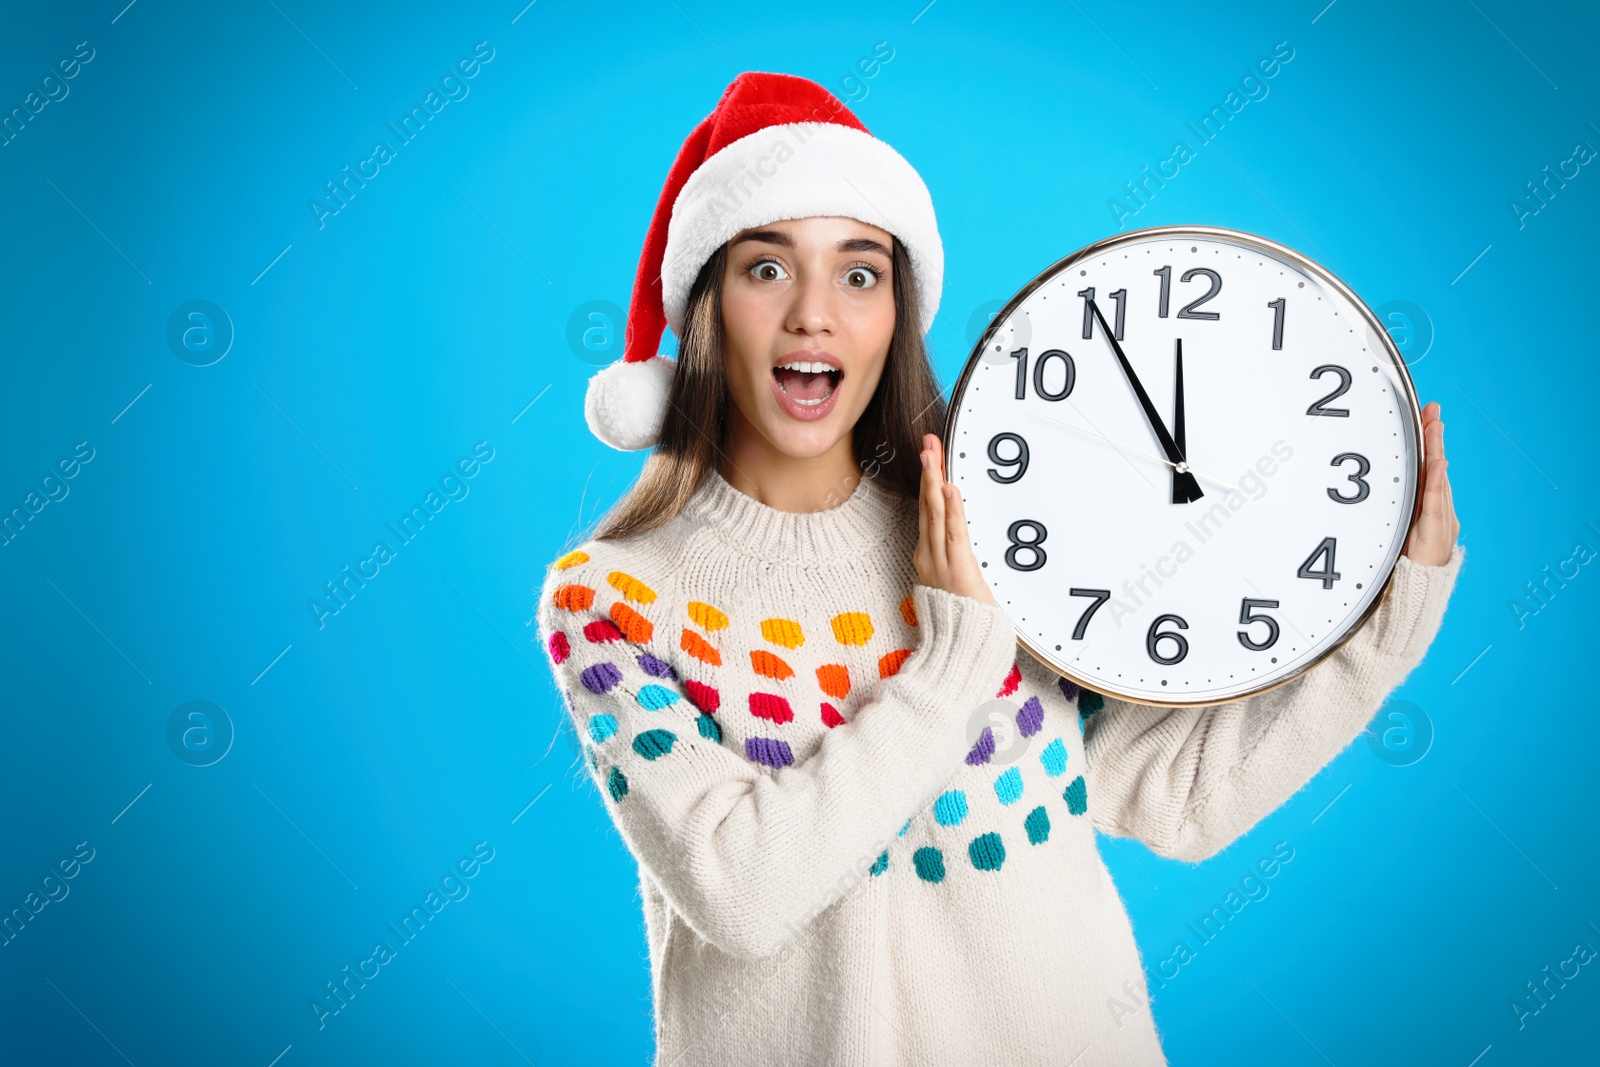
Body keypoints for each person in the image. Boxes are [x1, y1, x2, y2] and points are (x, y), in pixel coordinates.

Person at [535, 71, 1462, 1067]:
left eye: (858, 273)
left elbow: (1181, 796)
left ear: (896, 313)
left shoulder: (998, 529)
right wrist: (951, 661)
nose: (814, 313)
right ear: (707, 301)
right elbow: (743, 891)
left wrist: (1387, 611)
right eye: (767, 268)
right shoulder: (609, 600)